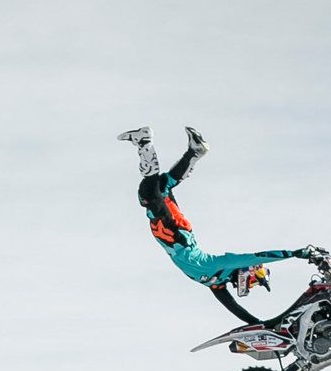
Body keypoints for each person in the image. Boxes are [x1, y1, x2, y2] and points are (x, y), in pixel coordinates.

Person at [118, 125, 313, 296]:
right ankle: (145, 142)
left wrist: (270, 327)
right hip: (175, 234)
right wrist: (295, 253)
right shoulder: (224, 265)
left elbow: (233, 307)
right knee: (150, 192)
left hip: (176, 234)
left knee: (161, 188)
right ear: (251, 271)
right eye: (255, 280)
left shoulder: (217, 282)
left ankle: (194, 153)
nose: (250, 285)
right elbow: (260, 256)